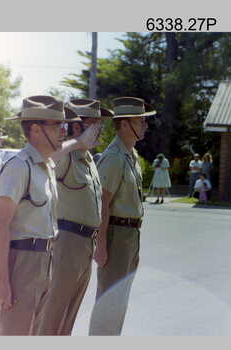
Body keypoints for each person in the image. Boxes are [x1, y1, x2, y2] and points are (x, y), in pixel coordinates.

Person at [0, 95, 98, 335]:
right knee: (14, 333)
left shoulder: (45, 164)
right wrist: (1, 281)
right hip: (21, 262)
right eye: (58, 126)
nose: (63, 131)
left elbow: (66, 148)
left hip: (44, 260)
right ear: (36, 129)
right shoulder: (19, 166)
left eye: (64, 125)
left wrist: (79, 142)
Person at [33, 98, 111, 335]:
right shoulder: (66, 154)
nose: (100, 130)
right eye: (95, 124)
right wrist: (76, 142)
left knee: (69, 313)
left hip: (86, 243)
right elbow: (47, 160)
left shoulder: (88, 159)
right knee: (53, 312)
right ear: (77, 127)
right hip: (67, 242)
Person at [89, 97, 154, 335]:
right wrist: (101, 245)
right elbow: (103, 203)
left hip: (130, 236)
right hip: (116, 235)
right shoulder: (115, 157)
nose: (146, 125)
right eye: (141, 121)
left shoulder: (130, 155)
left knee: (119, 301)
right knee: (109, 301)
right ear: (125, 124)